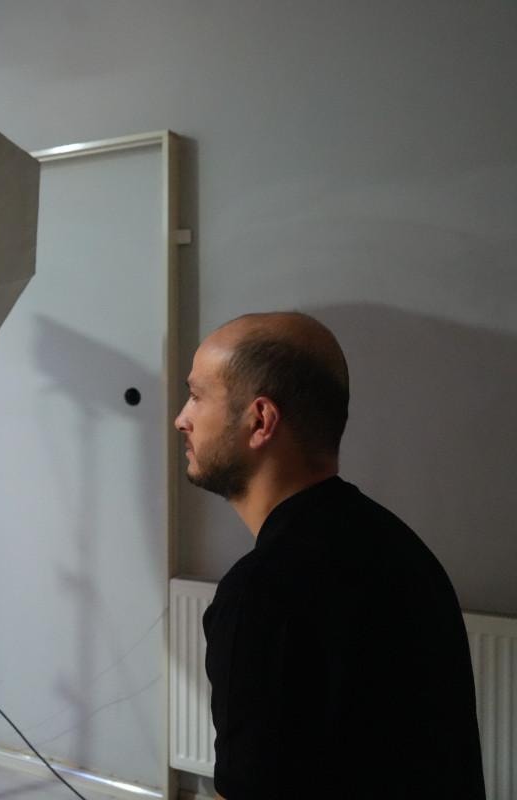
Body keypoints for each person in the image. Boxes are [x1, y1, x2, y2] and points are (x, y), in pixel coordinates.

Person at [175, 312, 484, 800]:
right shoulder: (400, 548)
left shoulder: (262, 595)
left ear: (260, 420)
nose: (181, 418)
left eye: (196, 396)